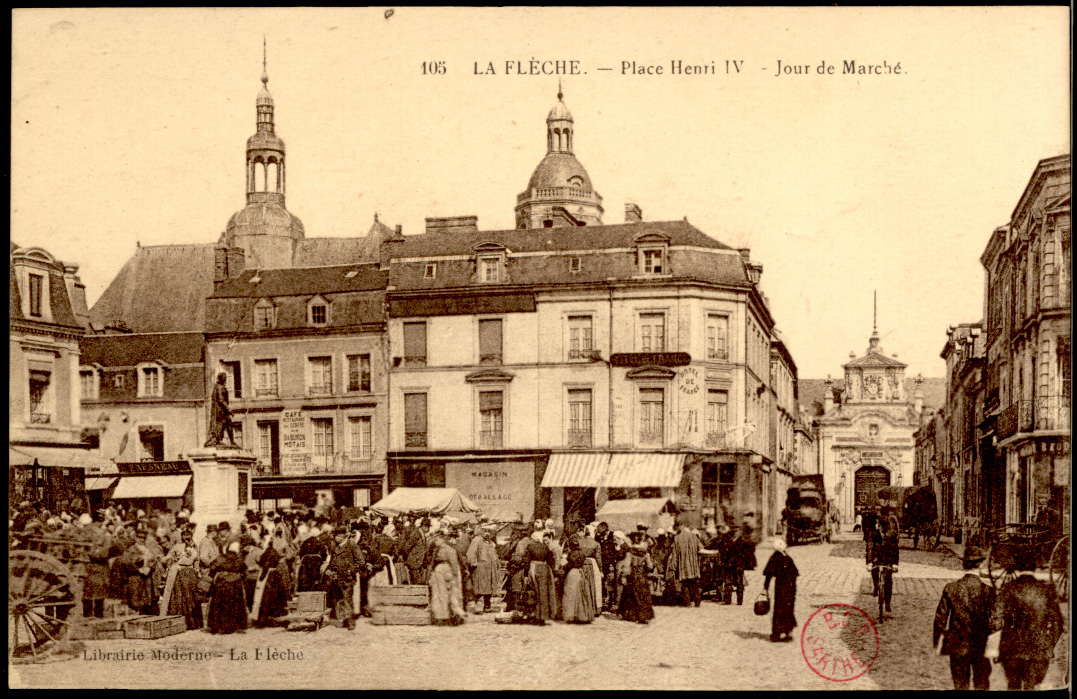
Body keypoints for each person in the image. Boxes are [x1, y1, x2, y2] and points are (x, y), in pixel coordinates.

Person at [989, 569, 1065, 690]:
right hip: (1038, 650)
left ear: (1017, 568)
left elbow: (995, 623)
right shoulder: (1047, 589)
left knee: (1013, 687)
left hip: (1011, 650)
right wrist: (1049, 645)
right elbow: (1059, 624)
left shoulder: (1008, 588)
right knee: (1032, 686)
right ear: (1035, 568)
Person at [933, 569, 996, 690]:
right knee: (981, 683)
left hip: (957, 645)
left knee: (960, 684)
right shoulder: (989, 591)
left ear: (964, 565)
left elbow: (940, 617)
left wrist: (937, 642)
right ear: (979, 566)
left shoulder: (951, 588)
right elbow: (995, 622)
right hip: (980, 646)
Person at [160, 527, 203, 629]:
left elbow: (165, 560)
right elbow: (196, 564)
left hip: (182, 573)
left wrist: (172, 560)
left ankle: (182, 622)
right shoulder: (192, 547)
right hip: (185, 573)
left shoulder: (180, 547)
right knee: (186, 597)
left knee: (181, 597)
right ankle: (190, 622)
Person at [762, 537, 799, 642]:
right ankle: (788, 632)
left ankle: (777, 633)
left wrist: (765, 587)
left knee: (779, 609)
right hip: (790, 587)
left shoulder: (775, 557)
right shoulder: (787, 557)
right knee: (788, 609)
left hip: (781, 586)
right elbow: (795, 573)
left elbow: (768, 574)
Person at [324, 527, 363, 630]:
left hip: (347, 578)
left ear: (341, 536)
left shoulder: (351, 545)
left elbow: (360, 561)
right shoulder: (335, 547)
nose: (334, 538)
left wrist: (351, 570)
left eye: (336, 536)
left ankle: (350, 622)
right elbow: (332, 562)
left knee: (347, 600)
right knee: (339, 600)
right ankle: (344, 620)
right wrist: (330, 570)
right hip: (337, 578)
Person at [207, 541, 248, 634]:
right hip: (235, 585)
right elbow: (244, 571)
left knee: (218, 605)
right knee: (235, 605)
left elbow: (212, 568)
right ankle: (234, 626)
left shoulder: (221, 558)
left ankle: (216, 626)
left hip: (222, 584)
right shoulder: (238, 559)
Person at [429, 529, 466, 626]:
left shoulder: (449, 549)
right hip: (439, 573)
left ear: (442, 539)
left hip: (446, 571)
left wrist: (453, 575)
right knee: (438, 595)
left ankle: (449, 616)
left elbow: (453, 563)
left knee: (447, 595)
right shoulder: (437, 549)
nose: (435, 541)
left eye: (437, 539)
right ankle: (440, 616)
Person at [617, 532, 655, 624]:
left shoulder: (630, 553)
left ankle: (631, 615)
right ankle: (643, 615)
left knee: (630, 595)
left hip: (632, 575)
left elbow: (627, 566)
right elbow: (650, 566)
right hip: (641, 575)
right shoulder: (645, 553)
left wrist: (624, 576)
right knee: (642, 595)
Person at [251, 546, 291, 628]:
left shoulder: (265, 555)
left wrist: (262, 574)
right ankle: (278, 616)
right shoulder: (275, 554)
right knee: (279, 597)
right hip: (275, 574)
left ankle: (263, 619)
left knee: (265, 599)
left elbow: (263, 564)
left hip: (267, 576)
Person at [869, 516, 900, 611]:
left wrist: (895, 564)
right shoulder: (873, 534)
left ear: (884, 526)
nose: (877, 526)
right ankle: (876, 587)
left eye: (879, 525)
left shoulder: (892, 535)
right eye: (877, 524)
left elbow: (895, 550)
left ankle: (887, 603)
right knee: (874, 572)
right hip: (876, 559)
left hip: (888, 560)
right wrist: (869, 562)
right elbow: (870, 548)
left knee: (888, 581)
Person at [467, 525, 500, 614]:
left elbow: (494, 554)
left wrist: (497, 563)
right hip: (481, 568)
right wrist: (474, 563)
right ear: (481, 531)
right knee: (480, 587)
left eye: (489, 531)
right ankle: (478, 607)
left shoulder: (490, 542)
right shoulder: (476, 540)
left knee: (489, 587)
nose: (487, 533)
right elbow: (471, 553)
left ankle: (487, 606)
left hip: (490, 568)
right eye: (485, 531)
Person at [561, 550, 597, 623]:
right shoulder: (581, 554)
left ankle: (571, 615)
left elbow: (568, 565)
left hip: (572, 573)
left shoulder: (572, 554)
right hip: (580, 572)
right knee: (581, 594)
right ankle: (582, 615)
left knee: (570, 595)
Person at [205, 372, 237, 448]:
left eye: (226, 377)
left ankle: (231, 441)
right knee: (223, 425)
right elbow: (221, 400)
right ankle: (220, 440)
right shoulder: (219, 387)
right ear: (220, 378)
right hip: (220, 411)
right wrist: (229, 409)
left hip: (223, 410)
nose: (225, 379)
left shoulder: (221, 386)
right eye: (224, 378)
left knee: (228, 424)